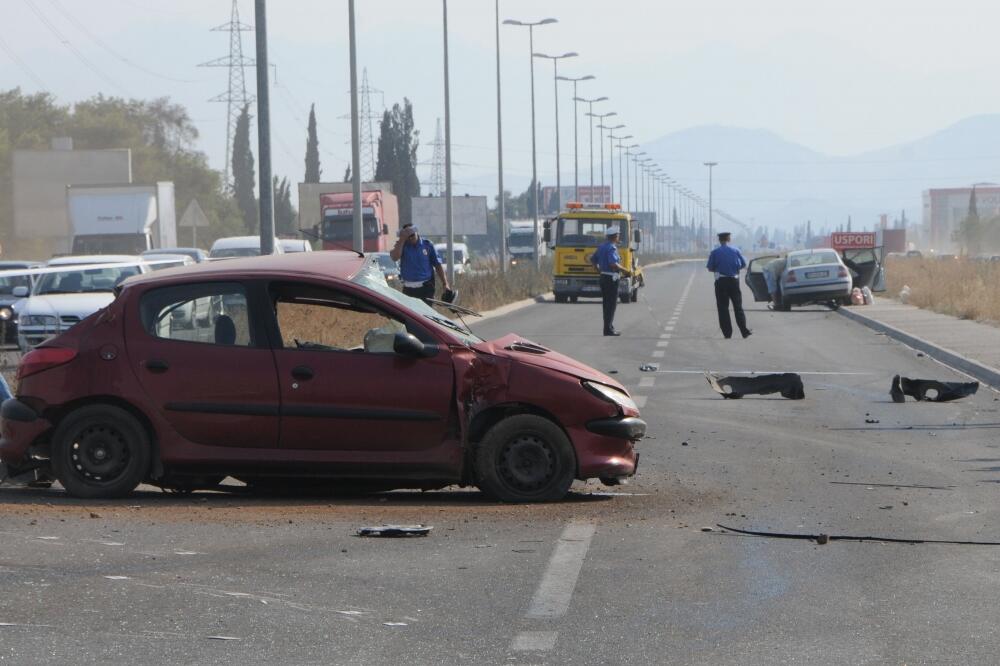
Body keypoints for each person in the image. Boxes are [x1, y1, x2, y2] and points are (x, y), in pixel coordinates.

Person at [706, 231, 752, 339]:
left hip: (721, 282)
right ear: (729, 239)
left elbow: (710, 268)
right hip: (734, 281)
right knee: (738, 307)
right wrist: (734, 269)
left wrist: (719, 269)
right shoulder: (736, 251)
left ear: (719, 240)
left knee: (723, 308)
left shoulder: (715, 252)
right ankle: (744, 331)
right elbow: (744, 264)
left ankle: (727, 333)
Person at [390, 223, 451, 303]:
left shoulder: (427, 245)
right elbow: (395, 257)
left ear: (416, 232)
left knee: (426, 313)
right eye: (408, 236)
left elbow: (437, 265)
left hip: (426, 287)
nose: (411, 238)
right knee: (409, 314)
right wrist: (402, 239)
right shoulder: (402, 245)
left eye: (412, 234)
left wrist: (445, 284)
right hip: (408, 288)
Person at [591, 226, 631, 336]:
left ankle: (608, 328)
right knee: (611, 305)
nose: (618, 237)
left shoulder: (602, 247)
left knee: (606, 304)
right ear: (614, 236)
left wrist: (598, 269)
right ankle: (608, 329)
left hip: (603, 277)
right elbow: (613, 263)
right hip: (611, 279)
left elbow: (593, 259)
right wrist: (625, 270)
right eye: (618, 235)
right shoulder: (611, 248)